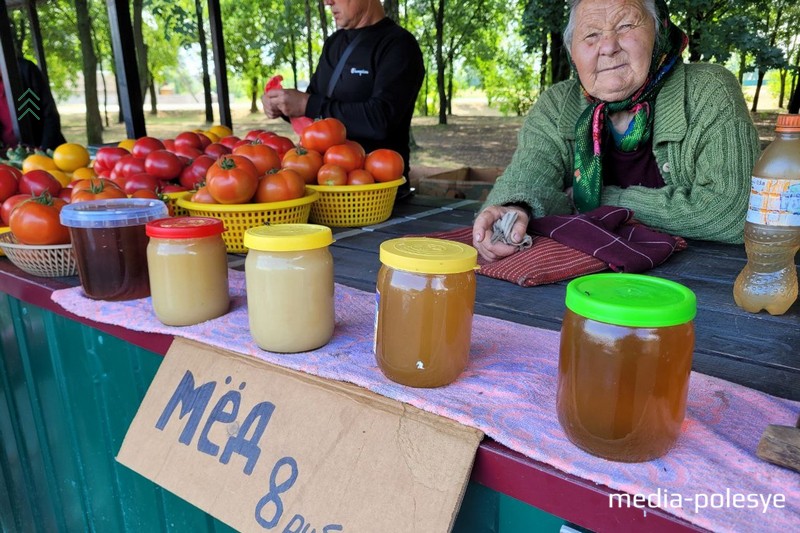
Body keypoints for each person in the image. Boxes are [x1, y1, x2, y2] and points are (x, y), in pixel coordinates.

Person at [472, 0, 760, 261]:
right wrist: (512, 210)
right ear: (574, 53)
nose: (608, 46)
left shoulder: (709, 90)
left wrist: (595, 199)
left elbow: (733, 212)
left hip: (699, 281)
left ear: (658, 33)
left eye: (625, 26)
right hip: (580, 279)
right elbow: (528, 178)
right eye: (591, 35)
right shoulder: (557, 103)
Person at [262, 0, 424, 199]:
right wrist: (284, 105)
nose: (327, 2)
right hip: (324, 186)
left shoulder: (399, 45)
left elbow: (381, 120)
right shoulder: (334, 43)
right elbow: (313, 112)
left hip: (377, 193)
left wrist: (306, 104)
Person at [0, 56, 66, 150]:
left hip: (43, 151)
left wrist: (45, 149)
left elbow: (49, 112)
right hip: (10, 156)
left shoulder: (24, 69)